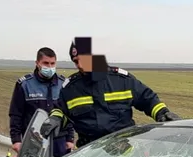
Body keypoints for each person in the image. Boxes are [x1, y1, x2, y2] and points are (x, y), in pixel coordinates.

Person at [42, 43, 179, 147]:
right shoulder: (70, 88)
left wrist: (162, 113)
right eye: (76, 61)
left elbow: (147, 99)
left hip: (124, 150)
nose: (81, 65)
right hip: (88, 153)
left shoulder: (122, 80)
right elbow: (61, 110)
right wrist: (55, 118)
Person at [8, 47, 75, 157]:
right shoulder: (24, 85)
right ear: (37, 63)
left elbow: (69, 115)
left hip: (59, 140)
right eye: (46, 63)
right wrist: (16, 140)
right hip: (33, 140)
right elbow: (16, 114)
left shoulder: (63, 84)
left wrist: (70, 139)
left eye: (52, 63)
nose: (49, 67)